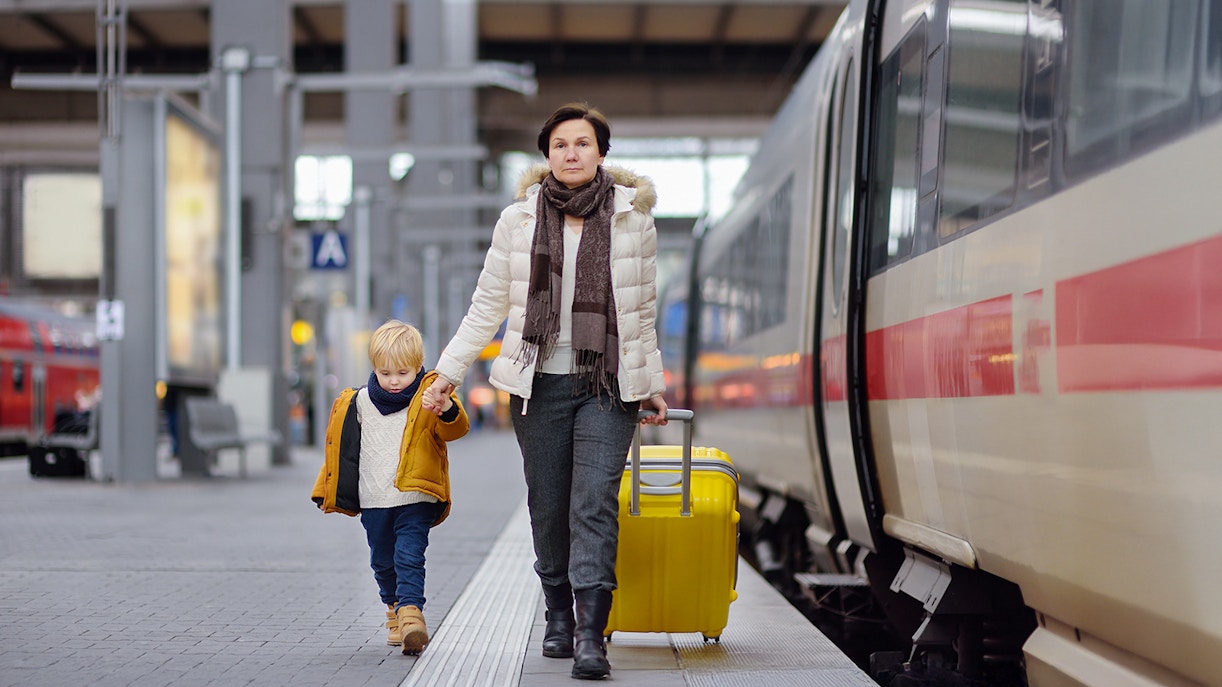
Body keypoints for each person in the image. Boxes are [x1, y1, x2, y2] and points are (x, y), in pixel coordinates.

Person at [421, 102, 668, 680]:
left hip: (608, 384)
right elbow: (488, 306)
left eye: (582, 143)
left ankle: (590, 635)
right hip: (538, 386)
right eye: (560, 145)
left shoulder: (635, 220)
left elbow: (642, 312)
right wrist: (447, 373)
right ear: (546, 155)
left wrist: (651, 383)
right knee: (548, 503)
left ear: (601, 152)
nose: (572, 153)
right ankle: (557, 613)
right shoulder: (519, 221)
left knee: (593, 503)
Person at [311, 319, 470, 655]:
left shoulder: (429, 398)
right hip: (374, 499)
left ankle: (412, 615)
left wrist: (447, 409)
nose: (395, 380)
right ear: (374, 369)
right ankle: (395, 609)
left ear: (417, 367)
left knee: (409, 555)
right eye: (386, 373)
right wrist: (329, 486)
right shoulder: (358, 403)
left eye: (403, 372)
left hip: (416, 495)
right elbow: (341, 448)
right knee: (382, 561)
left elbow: (456, 430)